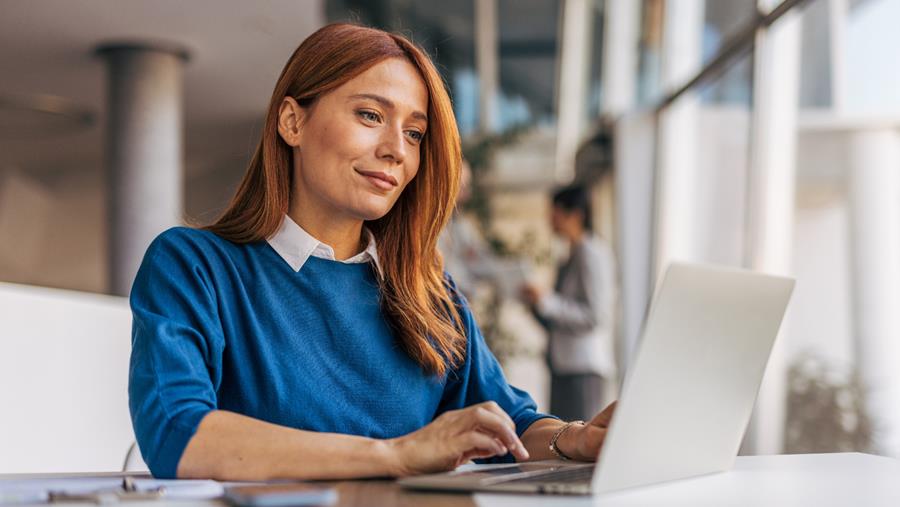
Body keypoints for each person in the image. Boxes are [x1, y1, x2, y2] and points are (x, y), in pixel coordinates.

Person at [128, 23, 616, 482]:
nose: (396, 151)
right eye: (370, 115)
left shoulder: (430, 297)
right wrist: (395, 455)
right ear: (292, 122)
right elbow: (179, 433)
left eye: (414, 133)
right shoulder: (194, 267)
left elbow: (512, 424)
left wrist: (574, 439)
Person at [521, 185, 617, 422]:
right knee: (562, 438)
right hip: (563, 365)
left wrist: (546, 301)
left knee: (580, 442)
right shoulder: (570, 254)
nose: (550, 220)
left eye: (555, 213)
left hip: (583, 369)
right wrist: (536, 304)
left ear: (576, 215)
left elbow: (595, 316)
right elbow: (558, 317)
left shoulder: (592, 253)